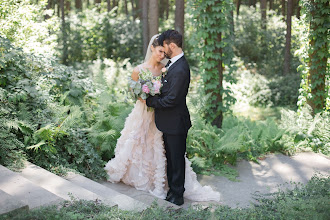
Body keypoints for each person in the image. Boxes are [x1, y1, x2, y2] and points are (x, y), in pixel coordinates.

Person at [105, 32, 220, 205]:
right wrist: (144, 97)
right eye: (159, 50)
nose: (163, 53)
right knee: (170, 157)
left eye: (164, 48)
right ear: (152, 48)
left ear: (171, 46)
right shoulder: (170, 65)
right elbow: (141, 90)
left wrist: (150, 99)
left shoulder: (179, 67)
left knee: (175, 157)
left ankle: (177, 194)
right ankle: (173, 191)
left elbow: (172, 98)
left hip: (172, 118)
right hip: (161, 116)